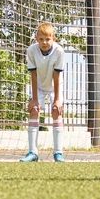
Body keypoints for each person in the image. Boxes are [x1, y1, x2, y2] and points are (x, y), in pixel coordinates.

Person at [19, 22, 66, 162]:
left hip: (54, 87)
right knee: (34, 110)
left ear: (53, 39)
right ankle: (33, 152)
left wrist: (57, 99)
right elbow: (33, 75)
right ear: (36, 39)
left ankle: (58, 153)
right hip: (38, 86)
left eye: (47, 39)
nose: (44, 42)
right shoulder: (31, 50)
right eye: (41, 39)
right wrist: (34, 99)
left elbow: (57, 76)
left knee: (56, 111)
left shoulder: (59, 51)